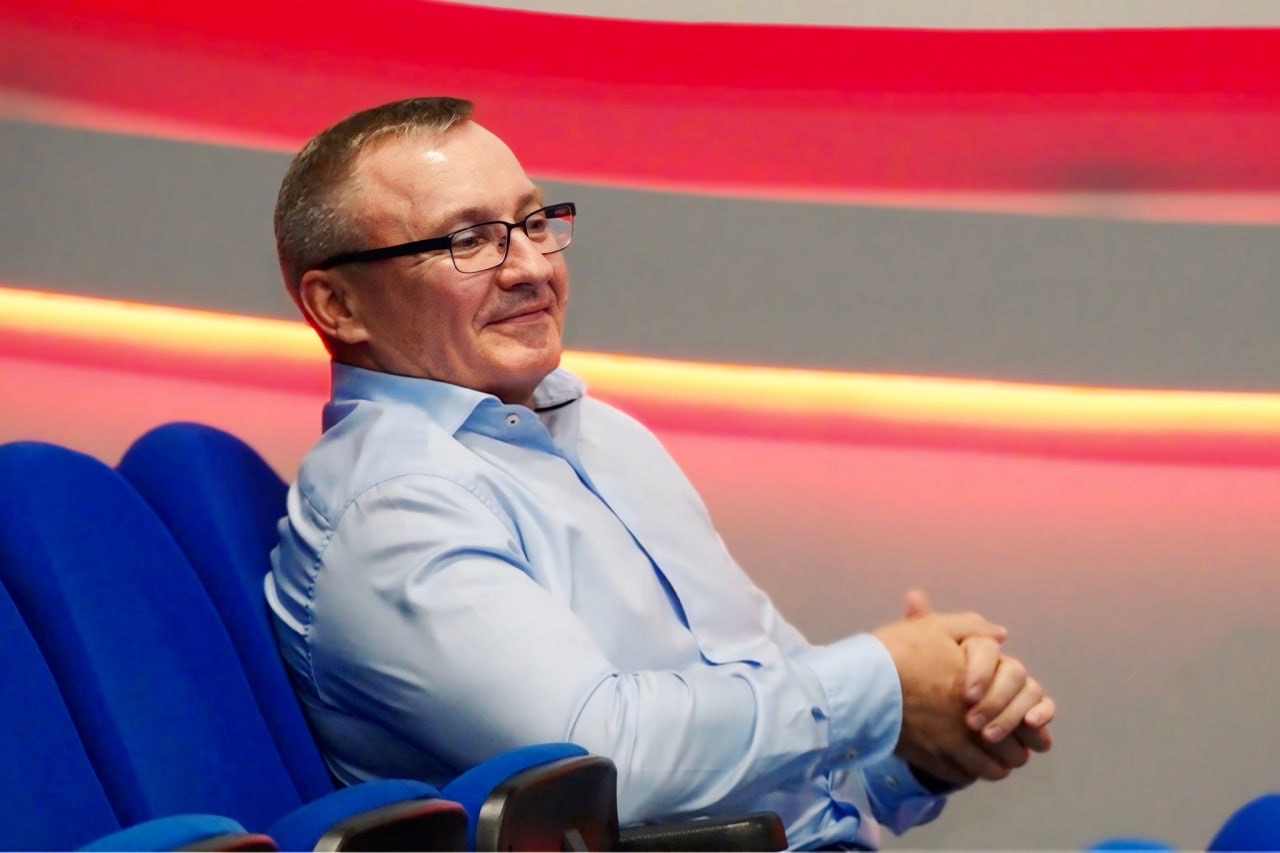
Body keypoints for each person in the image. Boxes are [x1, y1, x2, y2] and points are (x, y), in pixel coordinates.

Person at [267, 96, 1055, 850]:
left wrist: (927, 731)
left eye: (535, 222)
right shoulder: (392, 508)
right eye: (470, 240)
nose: (532, 267)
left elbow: (785, 737)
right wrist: (884, 682)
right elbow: (609, 760)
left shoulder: (604, 433)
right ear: (338, 305)